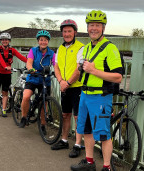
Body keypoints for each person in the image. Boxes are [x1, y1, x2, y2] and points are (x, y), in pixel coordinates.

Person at [70, 10, 123, 171]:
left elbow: (118, 77)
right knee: (86, 130)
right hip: (85, 95)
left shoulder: (110, 48)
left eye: (97, 26)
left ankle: (107, 167)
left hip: (101, 96)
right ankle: (89, 162)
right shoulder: (86, 48)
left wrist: (93, 71)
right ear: (87, 28)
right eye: (91, 25)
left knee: (103, 134)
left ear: (103, 28)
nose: (94, 28)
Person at [51, 19, 84, 158]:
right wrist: (60, 81)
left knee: (77, 116)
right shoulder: (60, 48)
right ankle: (64, 140)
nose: (67, 34)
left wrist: (67, 83)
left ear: (75, 32)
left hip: (77, 86)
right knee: (65, 114)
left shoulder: (81, 47)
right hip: (64, 85)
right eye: (64, 31)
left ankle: (78, 144)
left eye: (70, 31)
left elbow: (79, 69)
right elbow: (56, 66)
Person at [19, 30, 56, 131]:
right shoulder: (33, 50)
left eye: (45, 40)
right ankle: (23, 117)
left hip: (45, 79)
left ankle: (43, 124)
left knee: (43, 103)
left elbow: (55, 64)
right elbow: (29, 62)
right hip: (33, 77)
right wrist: (31, 69)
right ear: (38, 41)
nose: (43, 42)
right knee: (26, 96)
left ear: (48, 41)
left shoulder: (51, 53)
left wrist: (57, 72)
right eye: (41, 40)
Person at [0, 32, 27, 117]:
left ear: (9, 41)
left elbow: (21, 57)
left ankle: (3, 109)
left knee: (5, 92)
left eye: (6, 40)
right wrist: (5, 66)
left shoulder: (12, 50)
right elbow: (0, 59)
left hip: (7, 74)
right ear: (1, 41)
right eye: (3, 40)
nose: (5, 41)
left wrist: (29, 62)